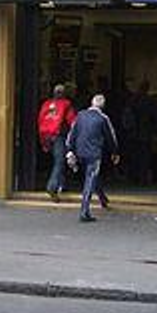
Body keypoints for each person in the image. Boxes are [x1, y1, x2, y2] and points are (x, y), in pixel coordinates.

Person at [67, 94, 120, 222]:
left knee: (93, 176)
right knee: (90, 179)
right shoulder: (103, 118)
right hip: (93, 153)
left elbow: (72, 134)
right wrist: (115, 152)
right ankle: (84, 211)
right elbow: (110, 137)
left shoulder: (80, 115)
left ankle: (102, 198)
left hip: (80, 151)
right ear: (103, 106)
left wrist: (70, 150)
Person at [38, 84, 78, 202]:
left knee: (58, 160)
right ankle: (52, 187)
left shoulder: (46, 104)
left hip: (46, 136)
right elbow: (72, 121)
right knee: (59, 161)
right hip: (58, 136)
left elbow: (40, 120)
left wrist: (42, 141)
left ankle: (62, 185)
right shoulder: (66, 104)